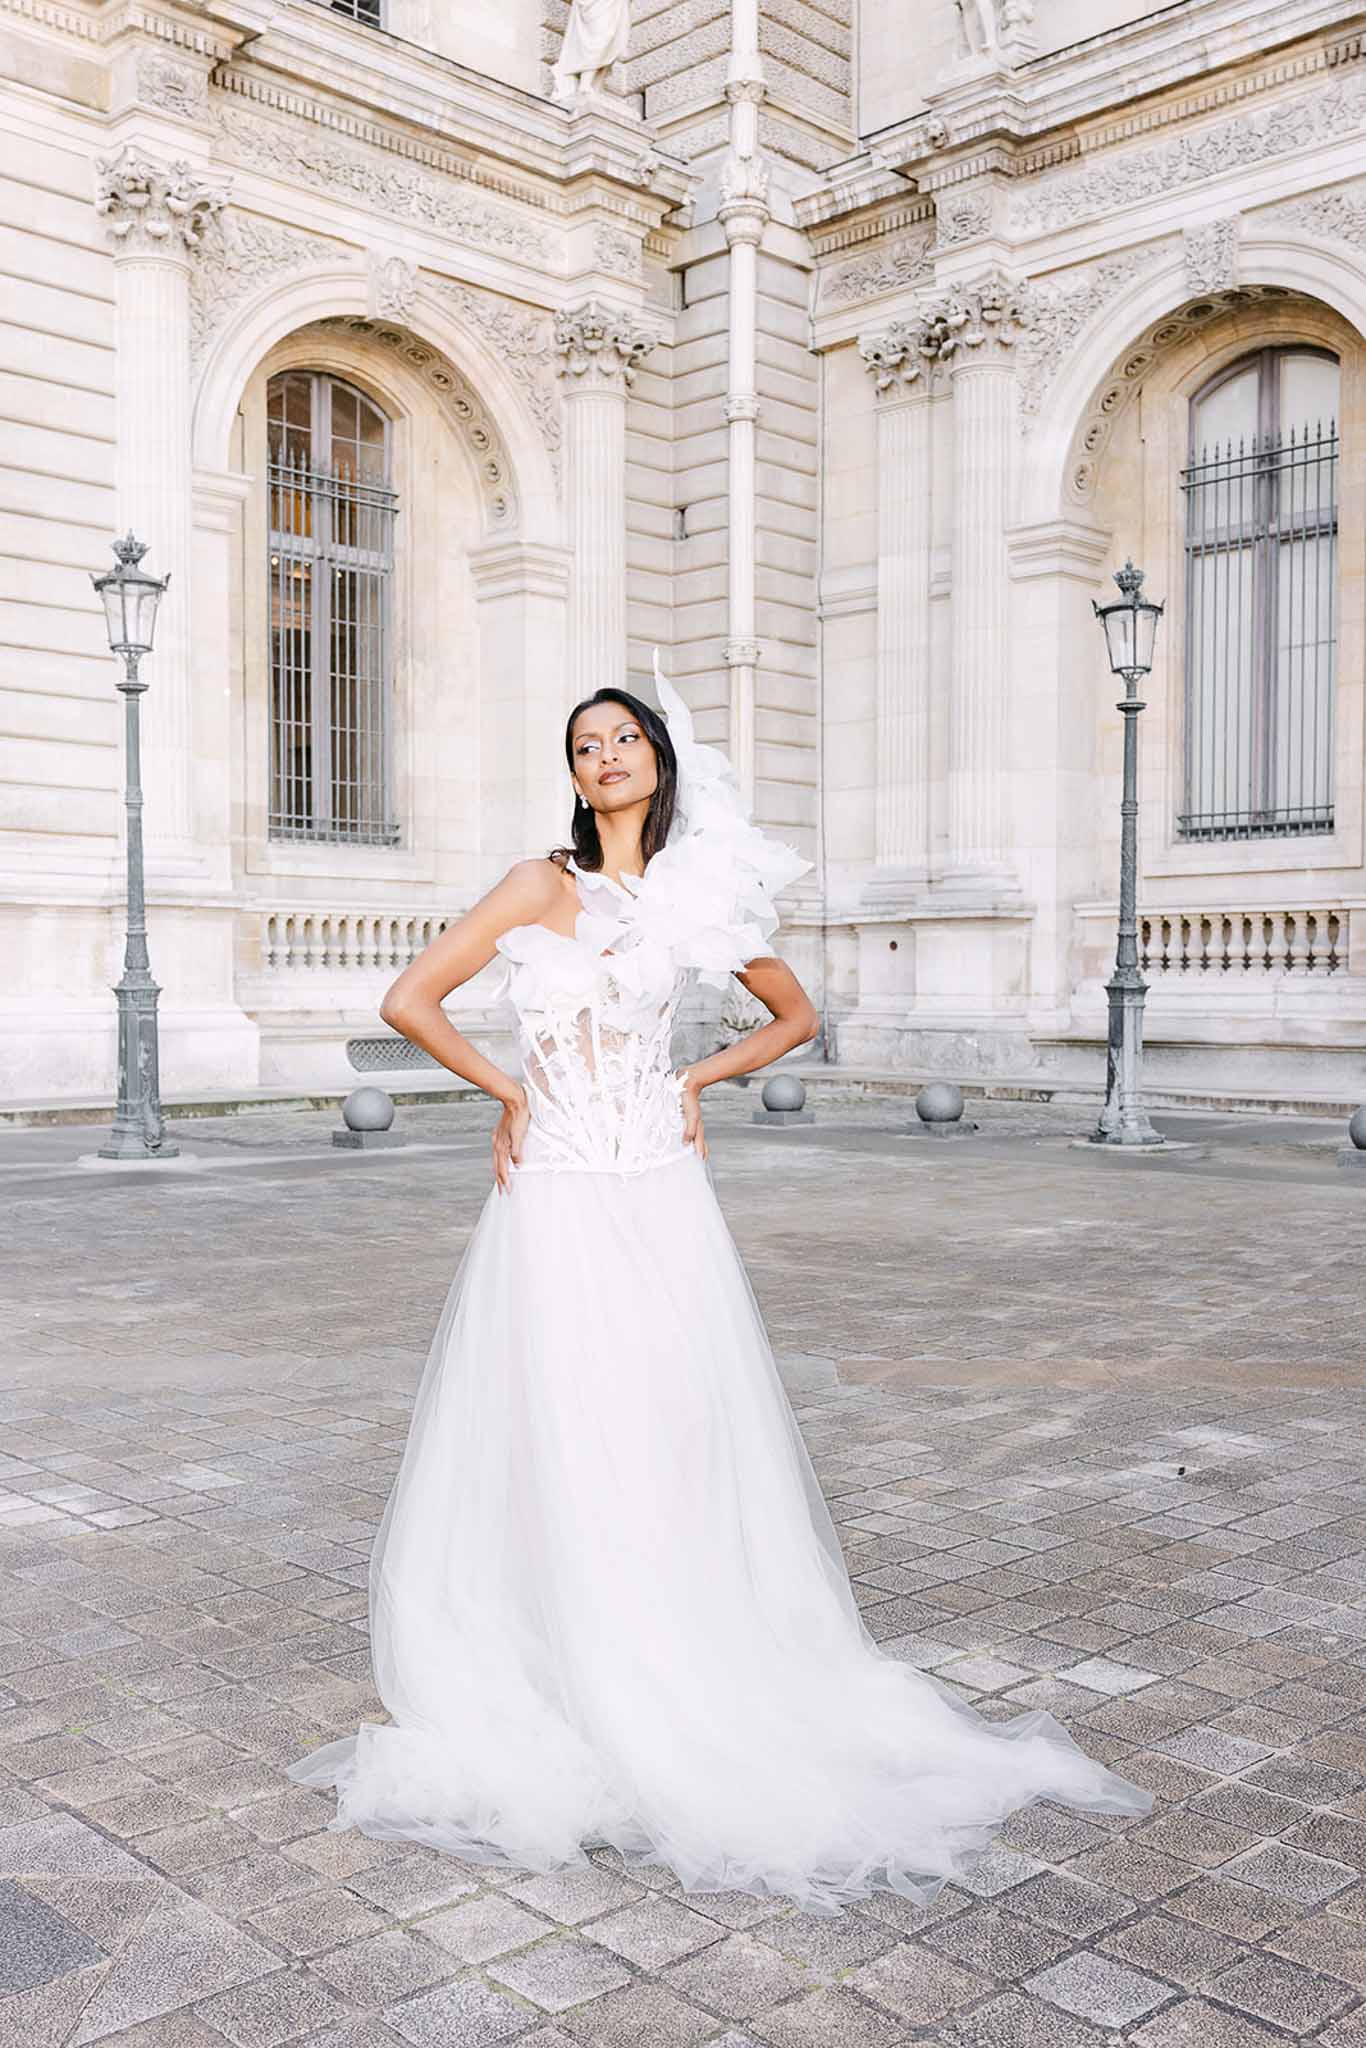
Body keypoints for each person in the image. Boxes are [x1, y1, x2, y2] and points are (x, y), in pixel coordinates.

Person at [286, 653, 1153, 1916]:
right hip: (562, 1187)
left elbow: (794, 1012)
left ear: (657, 756)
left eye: (621, 737)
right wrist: (510, 1089)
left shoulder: (694, 896)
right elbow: (409, 997)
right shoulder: (541, 883)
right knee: (565, 1418)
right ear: (573, 775)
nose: (603, 756)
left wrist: (697, 1080)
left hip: (658, 1185)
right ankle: (575, 1665)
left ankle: (682, 1652)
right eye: (584, 743)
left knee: (669, 1422)